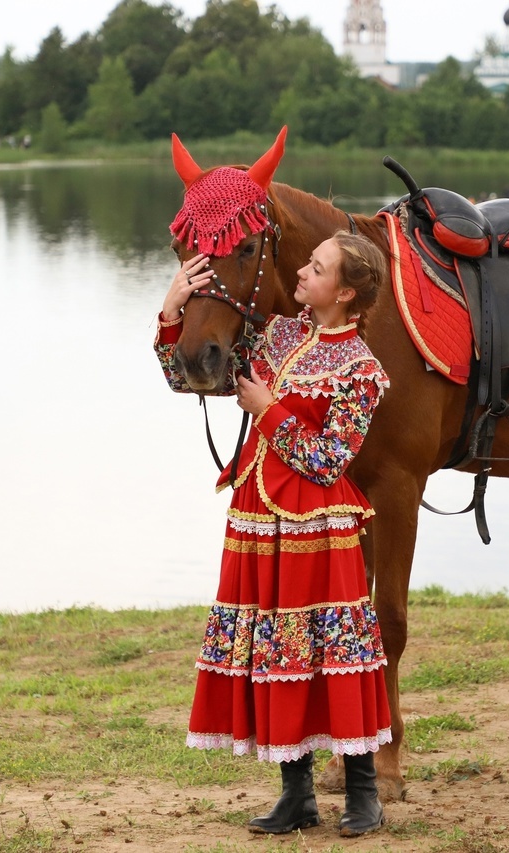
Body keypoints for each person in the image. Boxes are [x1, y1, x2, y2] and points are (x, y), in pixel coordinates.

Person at [154, 230, 393, 837]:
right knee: (275, 651)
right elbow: (189, 381)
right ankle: (296, 795)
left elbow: (327, 461)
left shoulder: (361, 370)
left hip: (318, 531)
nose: (304, 273)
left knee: (333, 653)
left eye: (317, 268)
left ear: (345, 294)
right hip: (258, 524)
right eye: (309, 263)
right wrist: (171, 309)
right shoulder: (277, 336)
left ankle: (362, 792)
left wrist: (267, 410)